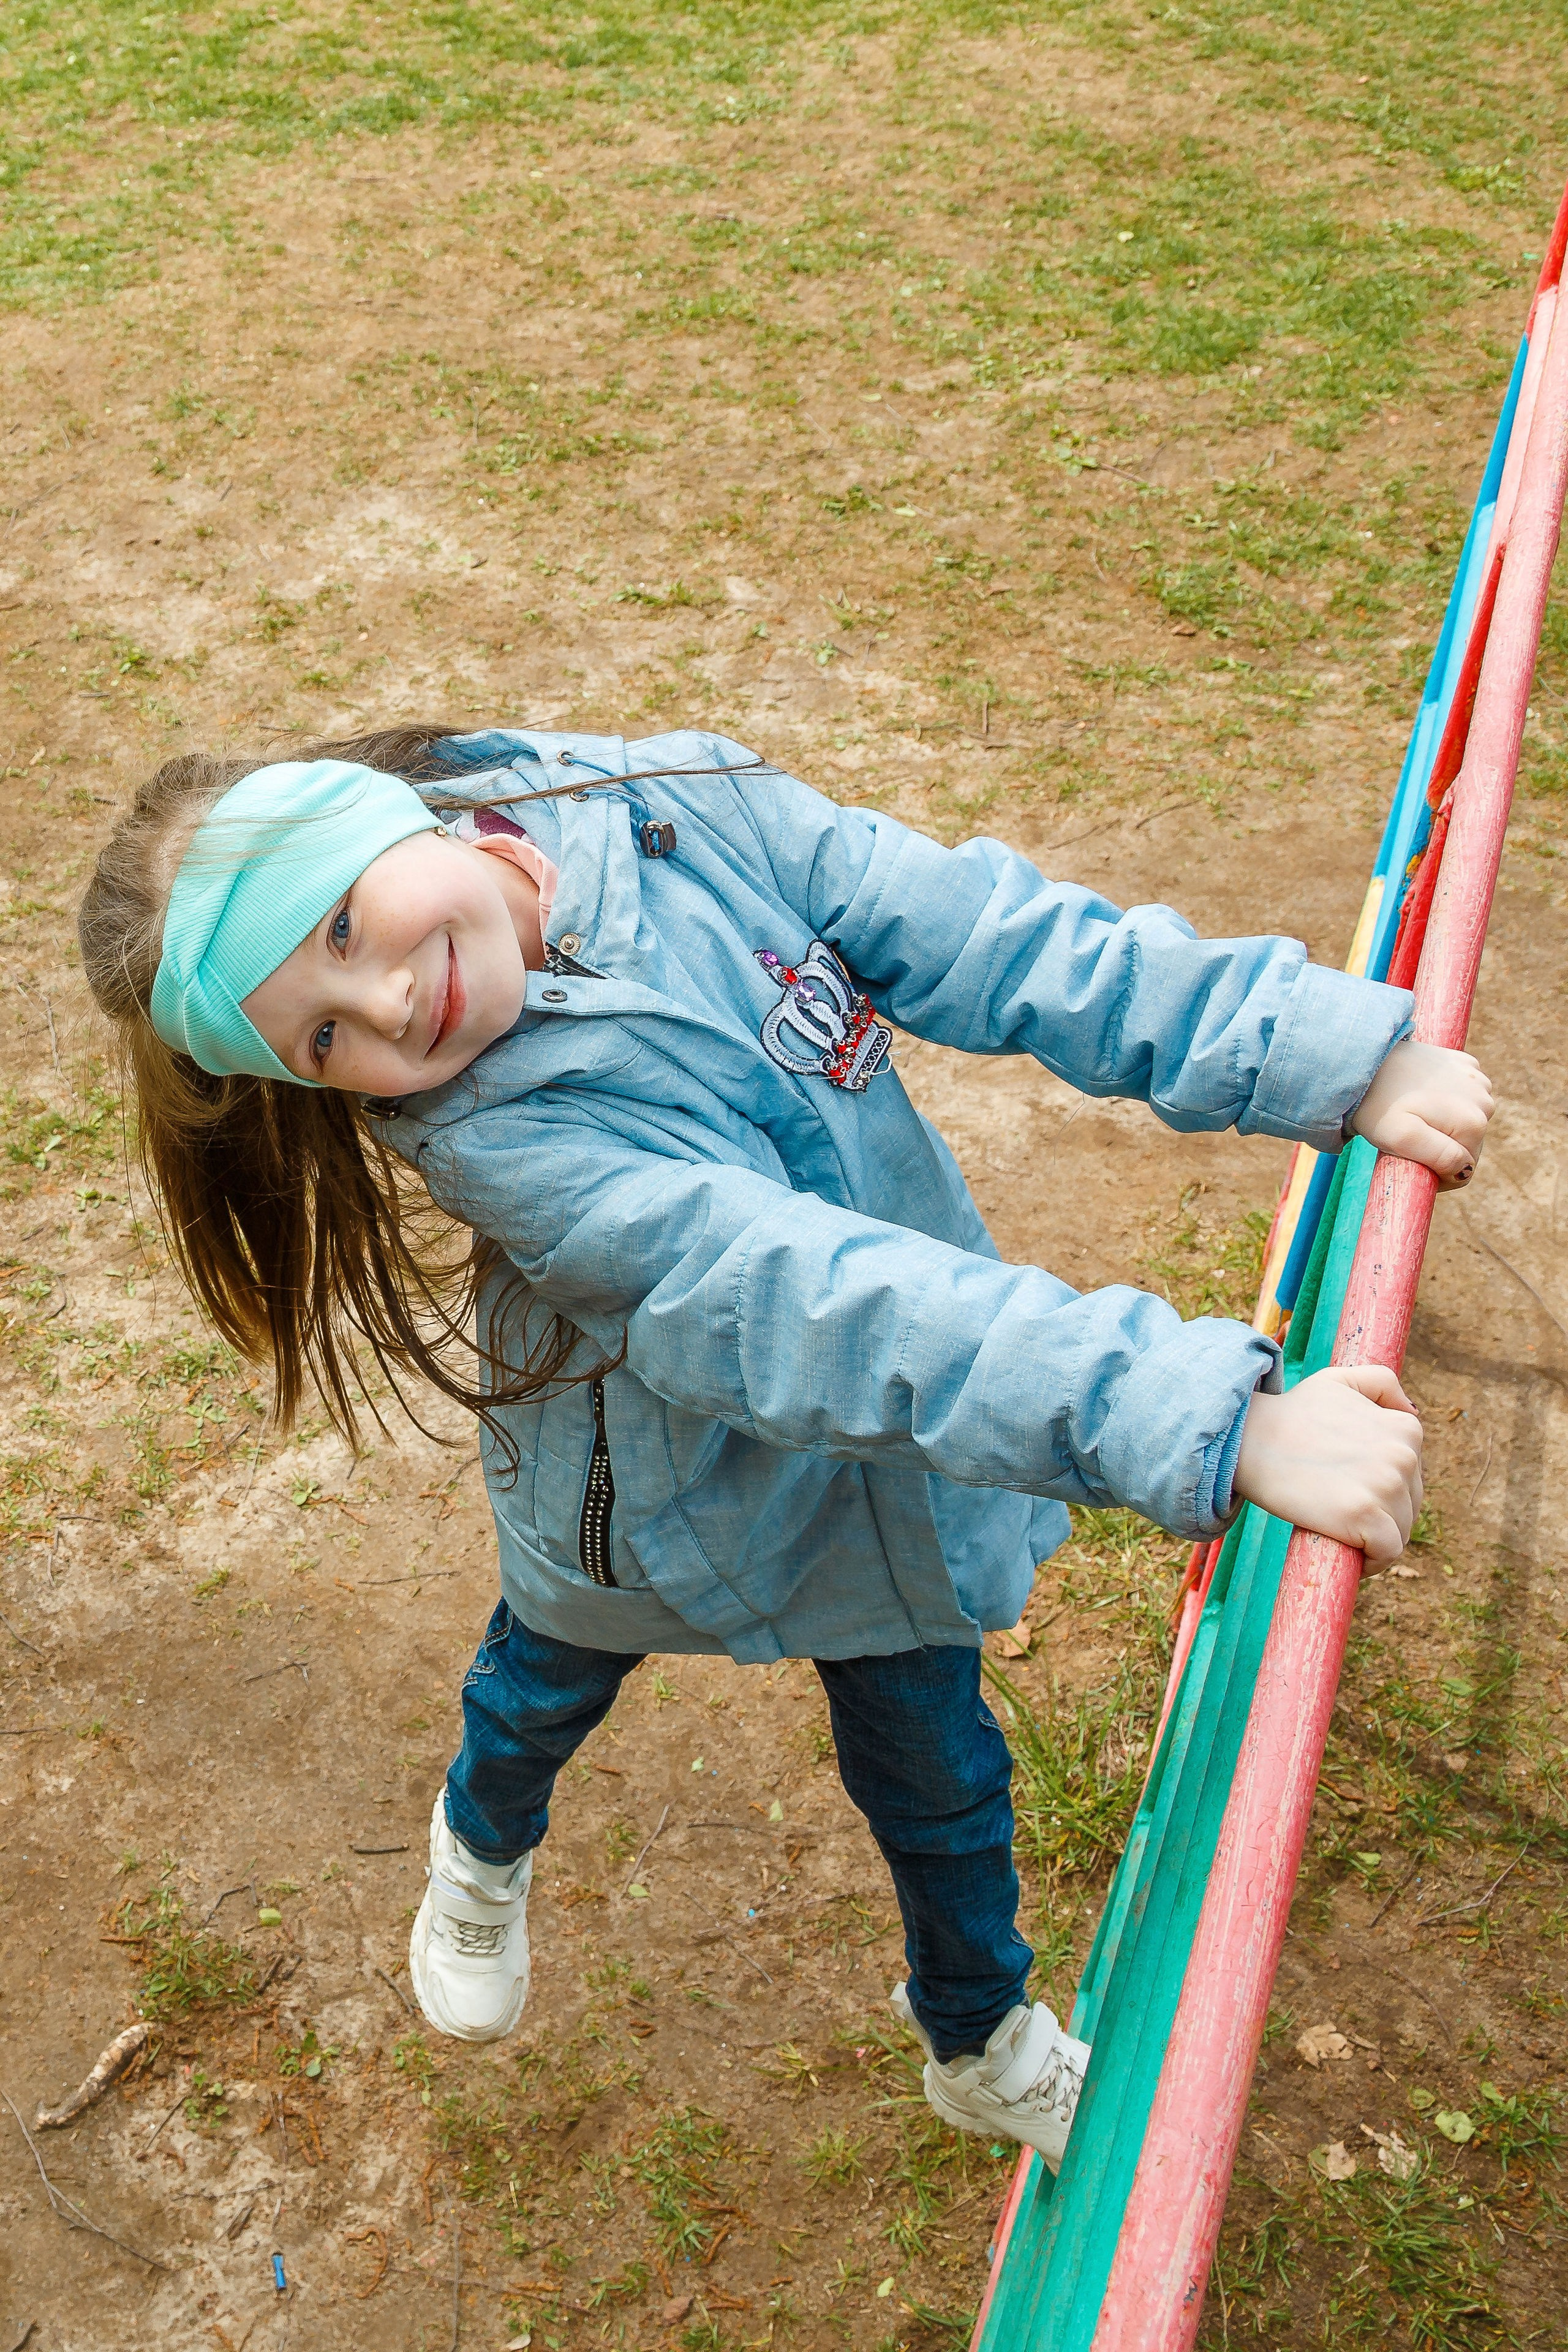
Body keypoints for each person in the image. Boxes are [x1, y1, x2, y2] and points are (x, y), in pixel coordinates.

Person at [78, 725, 1490, 2173]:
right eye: (322, 1038)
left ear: (396, 819)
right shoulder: (510, 1150)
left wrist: (1319, 1059)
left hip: (874, 1456)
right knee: (540, 1691)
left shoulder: (678, 805)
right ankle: (476, 1849)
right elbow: (802, 1301)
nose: (387, 1006)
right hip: (649, 1501)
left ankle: (980, 2042)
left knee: (939, 1781)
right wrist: (1217, 1421)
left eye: (342, 926)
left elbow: (995, 939)